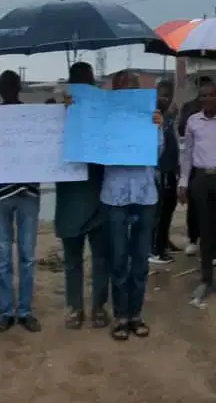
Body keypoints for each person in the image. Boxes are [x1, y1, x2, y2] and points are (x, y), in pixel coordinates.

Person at [100, 70, 163, 339]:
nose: (128, 90)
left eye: (132, 87)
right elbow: (91, 146)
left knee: (140, 259)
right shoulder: (104, 119)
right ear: (115, 91)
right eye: (122, 87)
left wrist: (157, 126)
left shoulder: (150, 116)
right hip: (114, 195)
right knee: (118, 258)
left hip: (145, 194)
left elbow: (158, 152)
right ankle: (120, 316)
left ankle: (135, 314)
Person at [0, 70, 42, 333]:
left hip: (28, 191)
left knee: (27, 255)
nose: (9, 89)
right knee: (3, 254)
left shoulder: (33, 118)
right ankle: (6, 312)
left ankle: (25, 311)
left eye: (12, 85)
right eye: (5, 85)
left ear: (18, 87)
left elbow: (43, 148)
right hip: (1, 193)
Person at [55, 61, 110, 329]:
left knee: (99, 258)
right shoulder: (57, 114)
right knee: (74, 259)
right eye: (79, 82)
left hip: (98, 193)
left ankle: (96, 307)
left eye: (87, 82)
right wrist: (62, 112)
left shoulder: (104, 113)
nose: (84, 87)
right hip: (71, 195)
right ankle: (76, 308)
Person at [178, 80, 216, 303]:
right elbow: (187, 153)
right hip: (201, 178)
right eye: (202, 96)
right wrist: (183, 182)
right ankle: (205, 280)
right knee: (205, 230)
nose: (205, 99)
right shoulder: (193, 121)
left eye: (210, 95)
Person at [179, 75, 215, 255]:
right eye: (202, 90)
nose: (206, 97)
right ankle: (193, 238)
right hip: (195, 164)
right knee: (194, 205)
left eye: (210, 91)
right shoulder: (189, 108)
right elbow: (182, 131)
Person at [150, 78, 179, 265]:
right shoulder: (151, 116)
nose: (165, 99)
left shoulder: (169, 116)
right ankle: (155, 249)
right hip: (159, 171)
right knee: (158, 211)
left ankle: (164, 240)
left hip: (171, 169)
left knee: (169, 206)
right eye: (162, 95)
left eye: (168, 96)